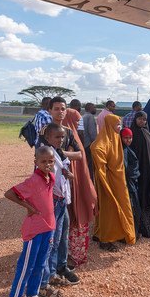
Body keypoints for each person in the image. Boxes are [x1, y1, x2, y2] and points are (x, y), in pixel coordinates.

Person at [4, 146, 56, 297]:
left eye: (50, 161)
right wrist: (28, 206)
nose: (47, 164)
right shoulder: (33, 181)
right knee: (26, 266)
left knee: (40, 264)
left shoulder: (51, 178)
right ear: (36, 162)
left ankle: (31, 295)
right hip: (34, 230)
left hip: (48, 227)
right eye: (43, 161)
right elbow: (10, 193)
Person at [37, 124, 75, 297]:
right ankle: (43, 283)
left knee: (59, 238)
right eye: (56, 137)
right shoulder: (46, 155)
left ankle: (52, 274)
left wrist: (66, 173)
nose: (60, 140)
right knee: (50, 241)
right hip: (52, 201)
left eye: (62, 137)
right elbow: (43, 178)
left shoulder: (58, 153)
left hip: (61, 201)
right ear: (48, 138)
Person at [91, 114, 136, 251]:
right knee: (109, 209)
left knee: (122, 206)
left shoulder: (115, 137)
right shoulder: (102, 142)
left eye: (119, 124)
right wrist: (106, 181)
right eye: (117, 125)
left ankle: (117, 233)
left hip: (119, 180)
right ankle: (105, 239)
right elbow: (97, 151)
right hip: (108, 181)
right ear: (109, 125)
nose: (119, 127)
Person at [62, 108, 97, 267]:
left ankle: (74, 256)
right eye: (76, 121)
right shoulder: (64, 137)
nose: (78, 124)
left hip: (77, 185)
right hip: (70, 187)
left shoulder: (73, 136)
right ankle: (69, 257)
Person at [129, 111, 150, 238]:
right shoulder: (132, 134)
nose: (142, 121)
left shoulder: (147, 133)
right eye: (140, 119)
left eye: (144, 119)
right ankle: (142, 228)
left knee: (148, 197)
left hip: (149, 171)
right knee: (140, 199)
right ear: (135, 119)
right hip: (138, 173)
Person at [120, 127, 141, 239]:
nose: (128, 140)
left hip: (131, 183)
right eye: (126, 138)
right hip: (125, 184)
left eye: (130, 138)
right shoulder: (121, 150)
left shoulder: (128, 150)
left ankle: (133, 233)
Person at [82, 102, 98, 180]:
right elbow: (92, 133)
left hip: (84, 144)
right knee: (90, 166)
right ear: (89, 108)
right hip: (89, 145)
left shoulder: (83, 116)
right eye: (94, 107)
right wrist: (96, 144)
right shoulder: (90, 117)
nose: (95, 109)